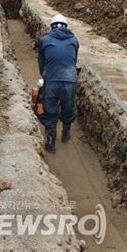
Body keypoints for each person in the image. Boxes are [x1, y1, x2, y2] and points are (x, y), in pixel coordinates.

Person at [38, 14, 79, 154]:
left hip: (52, 79)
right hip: (70, 80)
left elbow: (41, 64)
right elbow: (73, 61)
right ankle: (66, 134)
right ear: (66, 26)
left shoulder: (44, 40)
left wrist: (46, 76)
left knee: (50, 111)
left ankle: (50, 143)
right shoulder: (74, 40)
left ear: (52, 26)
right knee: (67, 108)